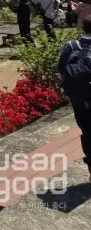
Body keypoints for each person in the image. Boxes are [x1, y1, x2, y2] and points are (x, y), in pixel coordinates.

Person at [58, 15, 91, 170]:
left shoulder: (71, 46)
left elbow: (61, 69)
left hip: (79, 96)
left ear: (83, 28)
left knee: (87, 130)